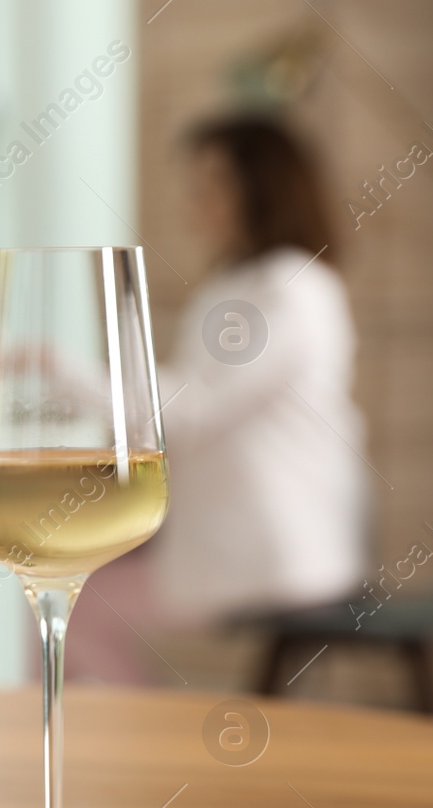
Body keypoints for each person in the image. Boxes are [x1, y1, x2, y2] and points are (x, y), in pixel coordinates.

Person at [66, 116, 366, 683]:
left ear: (262, 189)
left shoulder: (293, 287)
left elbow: (192, 408)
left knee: (76, 606)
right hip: (232, 538)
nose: (194, 201)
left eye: (213, 183)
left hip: (278, 551)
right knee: (73, 599)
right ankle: (124, 741)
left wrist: (61, 373)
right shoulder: (235, 286)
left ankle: (135, 745)